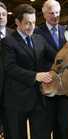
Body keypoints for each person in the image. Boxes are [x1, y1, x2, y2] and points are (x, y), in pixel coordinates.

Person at [2, 4, 55, 139]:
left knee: (42, 134)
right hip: (16, 99)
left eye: (33, 22)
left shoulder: (39, 39)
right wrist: (35, 76)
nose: (31, 26)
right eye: (27, 23)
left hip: (39, 98)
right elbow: (10, 67)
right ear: (17, 22)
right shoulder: (8, 42)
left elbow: (55, 56)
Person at [35, 0, 68, 139]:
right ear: (44, 14)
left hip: (66, 89)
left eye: (57, 13)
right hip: (48, 86)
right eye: (51, 13)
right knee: (47, 125)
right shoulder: (36, 32)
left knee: (65, 127)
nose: (55, 16)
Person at [0, 1, 13, 135]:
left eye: (4, 14)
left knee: (11, 129)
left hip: (11, 92)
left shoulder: (15, 35)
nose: (1, 17)